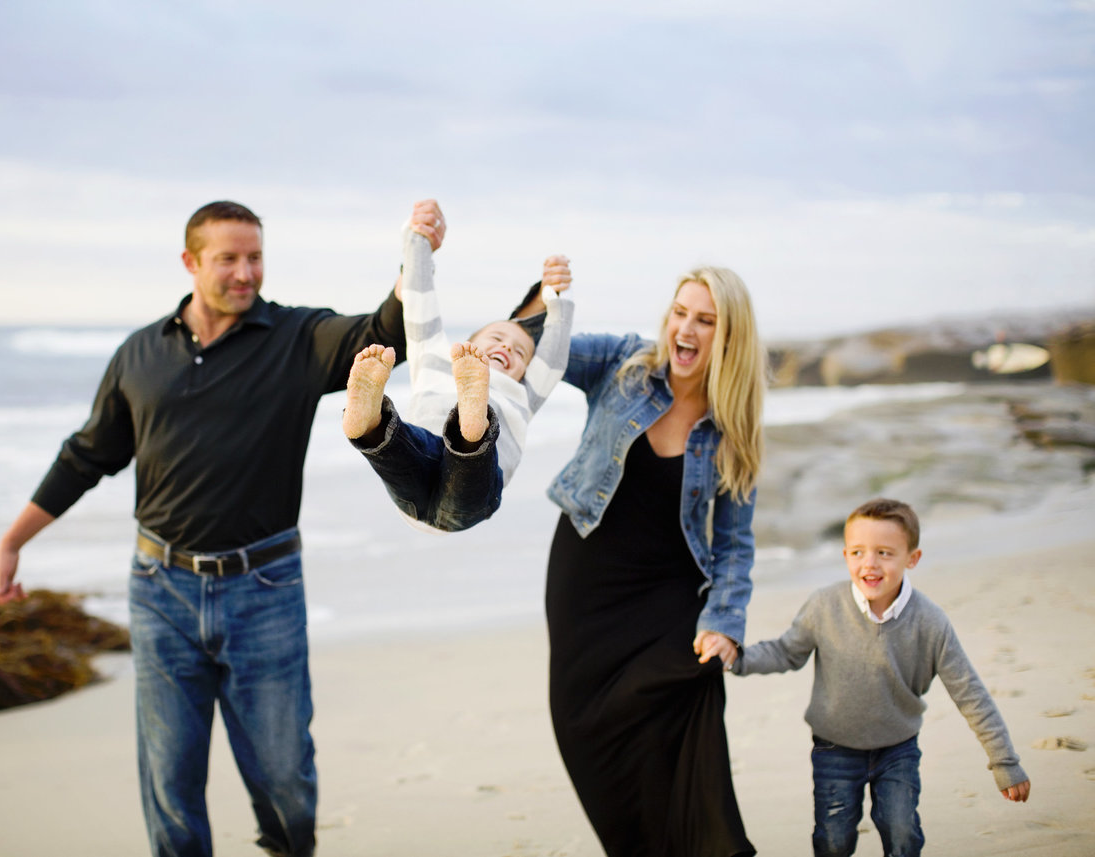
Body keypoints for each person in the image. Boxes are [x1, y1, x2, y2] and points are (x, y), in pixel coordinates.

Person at [0, 198, 446, 857]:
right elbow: (88, 454)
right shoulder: (140, 353)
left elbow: (385, 335)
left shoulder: (295, 337)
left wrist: (416, 256)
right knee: (170, 778)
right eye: (227, 258)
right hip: (159, 589)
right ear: (190, 261)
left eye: (254, 257)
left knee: (286, 776)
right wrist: (11, 542)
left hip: (265, 586)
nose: (244, 272)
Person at [532, 267, 767, 857]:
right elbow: (538, 350)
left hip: (669, 598)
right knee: (586, 731)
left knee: (693, 694)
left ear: (729, 337)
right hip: (586, 586)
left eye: (705, 320)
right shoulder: (624, 364)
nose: (685, 329)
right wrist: (545, 300)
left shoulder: (734, 428)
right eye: (680, 313)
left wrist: (724, 624)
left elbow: (735, 545)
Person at [731, 497, 1031, 857]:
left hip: (898, 748)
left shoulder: (930, 622)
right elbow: (786, 652)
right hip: (834, 749)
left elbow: (971, 695)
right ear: (845, 556)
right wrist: (737, 658)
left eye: (885, 553)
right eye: (858, 552)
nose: (869, 563)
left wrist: (1005, 762)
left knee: (902, 831)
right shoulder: (824, 606)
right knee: (833, 838)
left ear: (912, 558)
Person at [341, 218, 574, 531]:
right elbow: (419, 304)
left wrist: (558, 302)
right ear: (469, 346)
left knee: (467, 465)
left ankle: (467, 430)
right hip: (420, 470)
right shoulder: (437, 360)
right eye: (496, 339)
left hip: (471, 495)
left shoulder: (521, 394)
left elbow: (554, 360)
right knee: (407, 450)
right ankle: (369, 424)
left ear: (525, 372)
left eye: (520, 353)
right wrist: (418, 243)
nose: (507, 347)